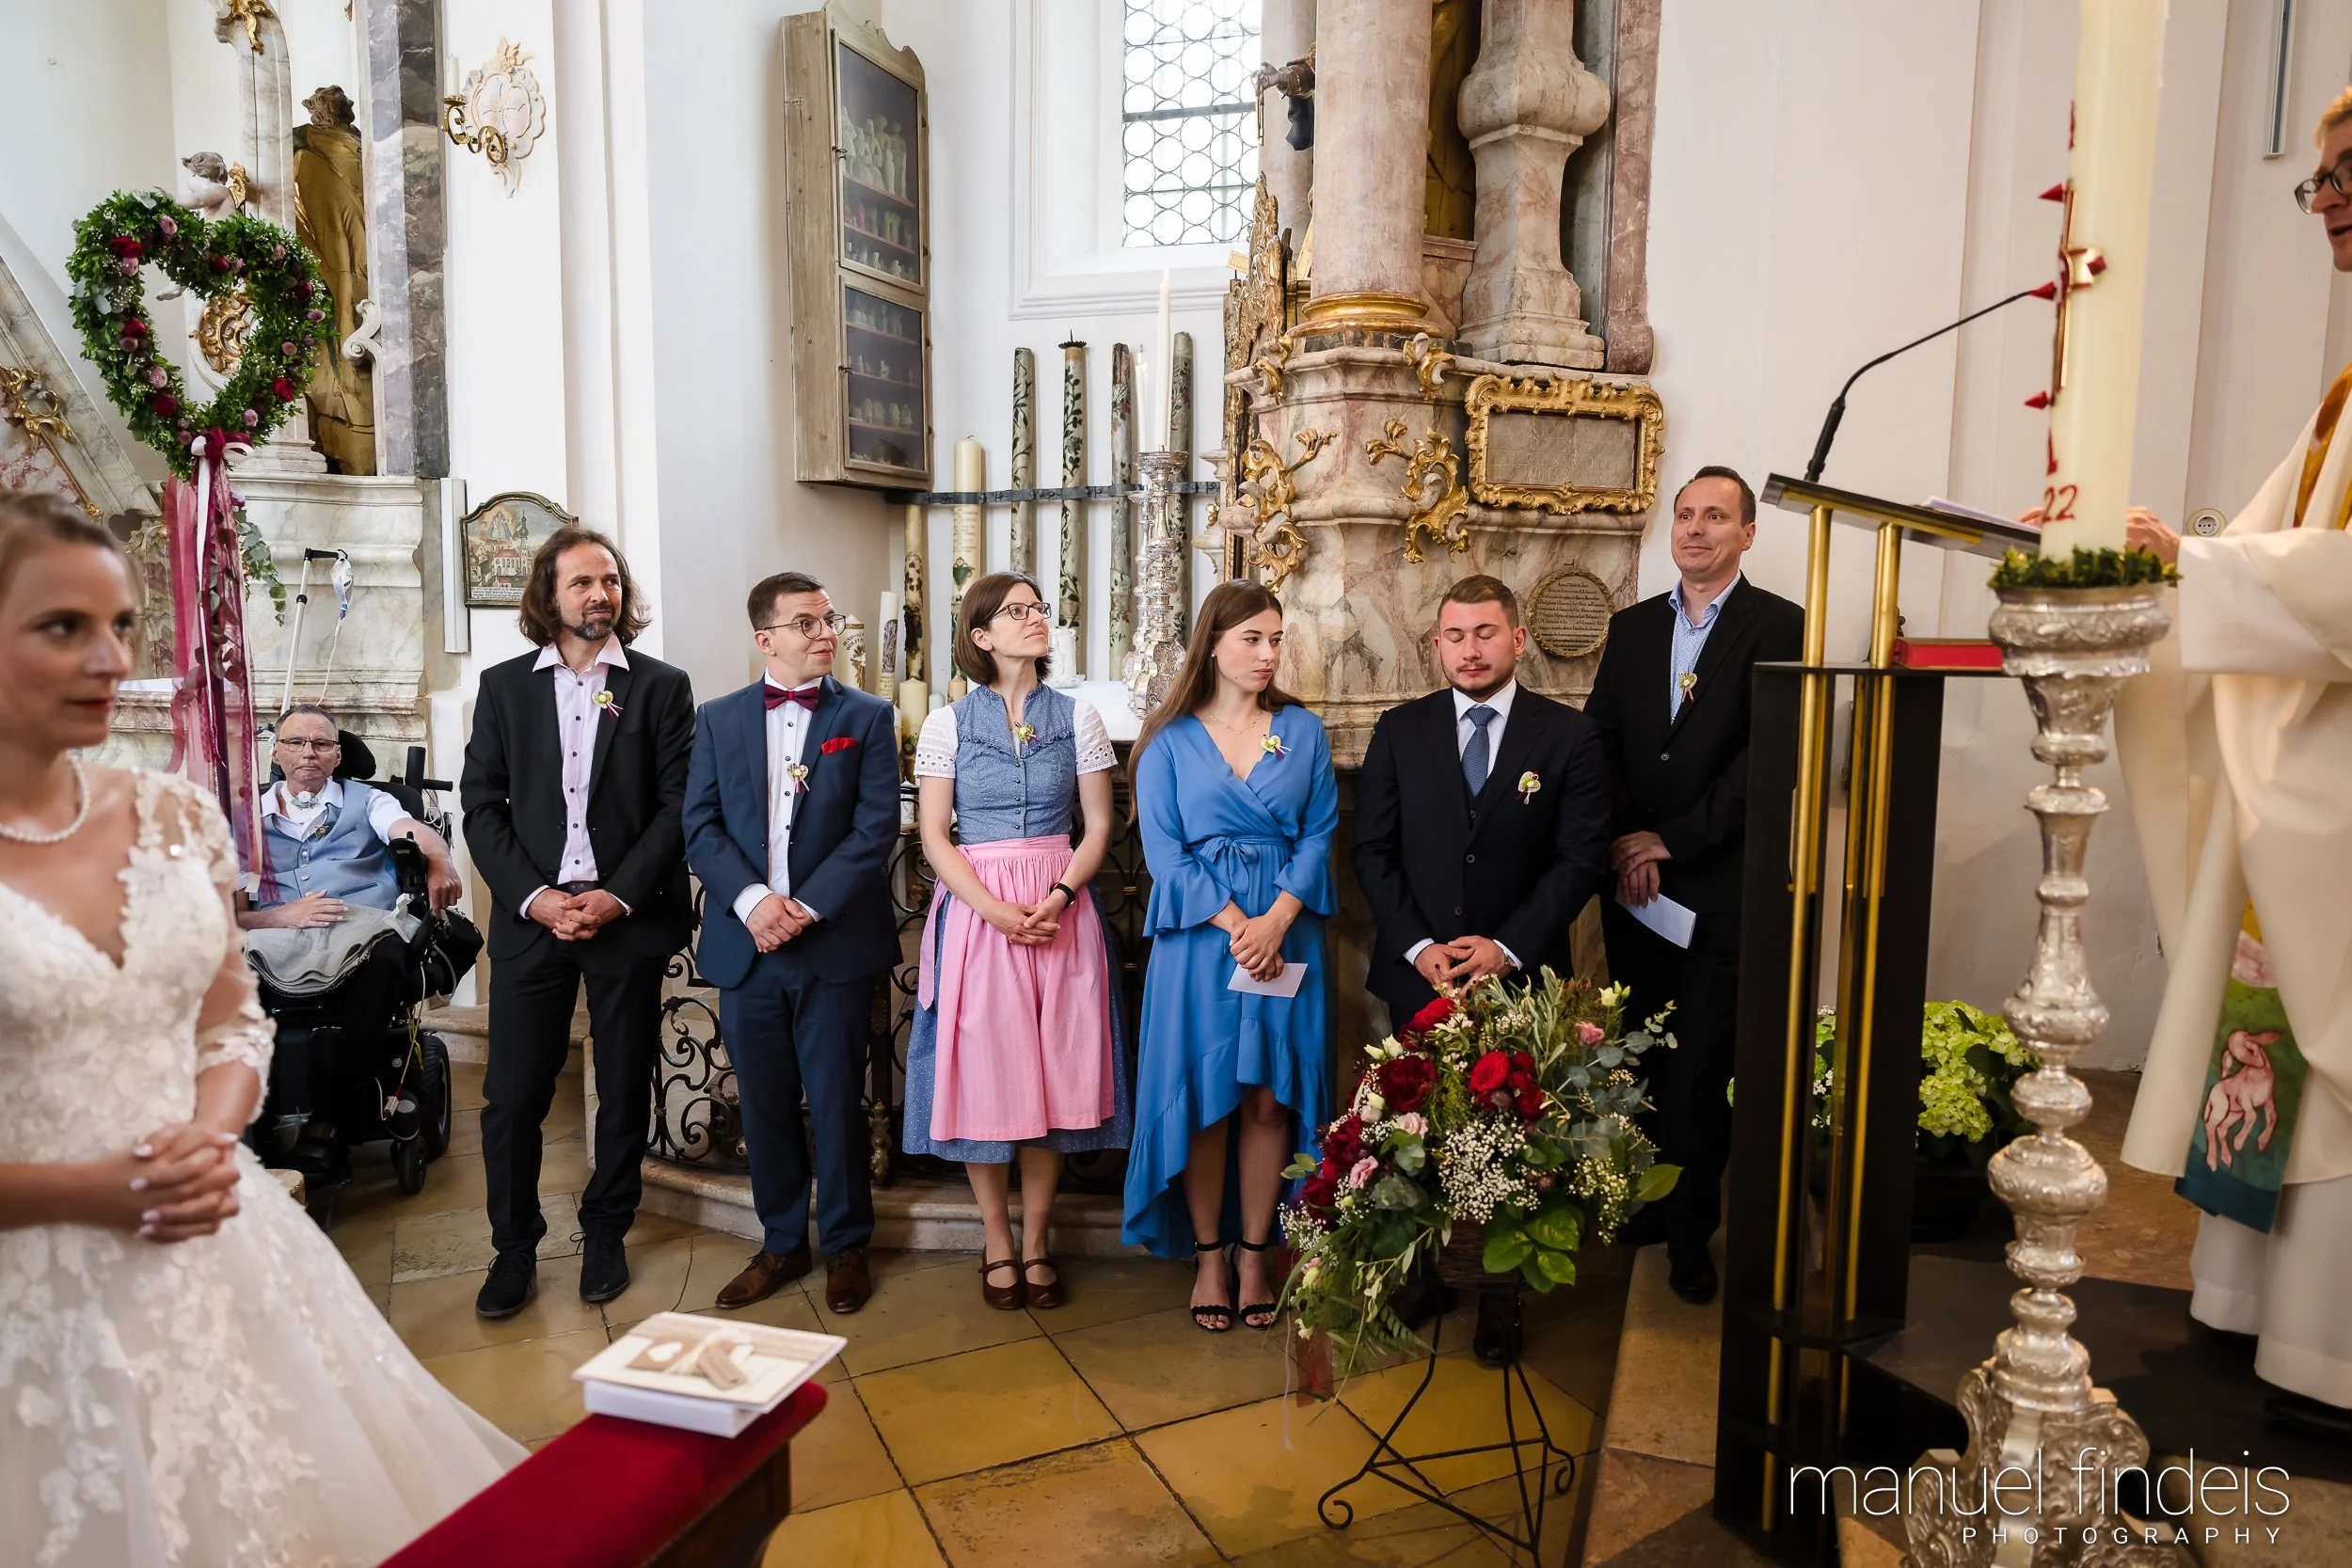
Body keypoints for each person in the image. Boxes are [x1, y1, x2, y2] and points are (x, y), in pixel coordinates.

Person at [0, 488, 520, 1564]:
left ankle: (327, 1116)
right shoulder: (240, 816)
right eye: (64, 627)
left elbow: (228, 1018)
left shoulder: (175, 815)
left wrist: (212, 1124)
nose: (109, 659)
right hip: (38, 1258)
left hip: (211, 1216)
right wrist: (90, 1188)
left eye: (122, 627)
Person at [2106, 88, 2352, 1435]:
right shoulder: (2342, 393)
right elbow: (2258, 548)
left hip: (2343, 800)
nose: (2325, 198)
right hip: (2304, 784)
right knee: (2281, 1048)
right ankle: (2252, 1302)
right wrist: (2163, 559)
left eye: (2343, 172)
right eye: (2314, 180)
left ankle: (2332, 1346)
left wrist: (2198, 566)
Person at [1352, 573, 1613, 1362]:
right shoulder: (1401, 731)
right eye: (1455, 635)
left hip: (1519, 975)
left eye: (1486, 633)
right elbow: (1373, 849)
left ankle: (1503, 1294)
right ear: (1437, 643)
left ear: (1518, 639)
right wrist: (1416, 945)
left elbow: (1580, 858)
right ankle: (1427, 1270)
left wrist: (1506, 946)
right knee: (1419, 1131)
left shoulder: (1567, 737)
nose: (1470, 649)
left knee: (1515, 1139)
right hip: (1420, 974)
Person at [459, 528, 695, 1319]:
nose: (601, 594)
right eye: (582, 583)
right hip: (535, 921)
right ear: (548, 596)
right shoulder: (503, 689)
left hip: (624, 918)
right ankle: (514, 1247)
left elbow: (675, 809)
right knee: (513, 1094)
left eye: (611, 581)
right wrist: (537, 897)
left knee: (625, 1086)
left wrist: (616, 895)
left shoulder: (661, 687)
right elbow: (482, 809)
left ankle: (606, 1229)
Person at [1582, 466, 1804, 1306]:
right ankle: (1645, 1203)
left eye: (1716, 516)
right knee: (1638, 1050)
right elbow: (1599, 741)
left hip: (1716, 885)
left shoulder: (1781, 624)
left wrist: (1667, 840)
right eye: (1685, 514)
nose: (1697, 528)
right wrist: (1621, 842)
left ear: (1748, 533)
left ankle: (1689, 1231)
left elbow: (1764, 765)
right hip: (1635, 892)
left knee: (1702, 1063)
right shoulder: (1633, 627)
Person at [906, 572, 1130, 1310]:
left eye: (1039, 608)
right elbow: (936, 836)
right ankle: (995, 1240)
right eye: (1018, 611)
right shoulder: (947, 724)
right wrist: (995, 910)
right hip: (980, 907)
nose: (1036, 619)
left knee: (1051, 1075)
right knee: (990, 1073)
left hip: (1061, 901)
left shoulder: (1081, 718)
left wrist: (1062, 893)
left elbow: (1098, 824)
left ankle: (1037, 1240)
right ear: (981, 635)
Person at [1122, 580, 1338, 1333]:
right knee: (1208, 1099)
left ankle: (1257, 1253)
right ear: (1212, 641)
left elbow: (1318, 833)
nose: (1267, 653)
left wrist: (1277, 918)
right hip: (1201, 937)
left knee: (1269, 1096)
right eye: (1252, 637)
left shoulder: (1303, 731)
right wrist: (1237, 922)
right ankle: (1209, 1255)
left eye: (1276, 639)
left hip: (1287, 928)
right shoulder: (1167, 740)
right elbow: (1164, 851)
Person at [682, 571, 900, 1315]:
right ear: (764, 637)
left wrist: (801, 906)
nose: (825, 633)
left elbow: (874, 830)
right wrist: (752, 903)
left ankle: (846, 1245)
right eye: (807, 622)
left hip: (830, 939)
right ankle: (781, 1242)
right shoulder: (716, 718)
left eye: (829, 619)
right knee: (766, 1102)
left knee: (837, 1099)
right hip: (749, 945)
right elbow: (700, 827)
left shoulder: (868, 717)